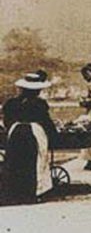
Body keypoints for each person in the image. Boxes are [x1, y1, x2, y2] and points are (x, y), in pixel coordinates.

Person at [1, 71, 57, 205]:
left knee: (15, 161)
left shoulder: (12, 103)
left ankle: (14, 192)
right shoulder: (39, 104)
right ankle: (31, 193)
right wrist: (53, 134)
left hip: (15, 133)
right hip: (33, 133)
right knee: (33, 161)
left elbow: (8, 120)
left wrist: (12, 128)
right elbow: (46, 121)